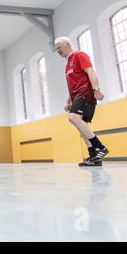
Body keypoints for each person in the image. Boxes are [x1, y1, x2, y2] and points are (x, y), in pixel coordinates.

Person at [54, 37, 109, 167]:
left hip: (86, 93)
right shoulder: (68, 64)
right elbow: (72, 85)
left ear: (67, 44)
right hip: (77, 96)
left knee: (73, 117)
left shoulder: (79, 55)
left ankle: (100, 147)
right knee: (80, 125)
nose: (57, 50)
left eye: (59, 47)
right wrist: (69, 101)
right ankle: (94, 157)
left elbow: (90, 71)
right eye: (56, 49)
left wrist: (96, 89)